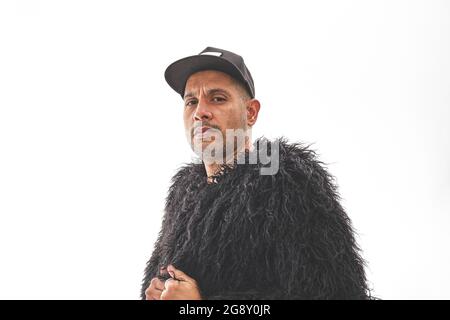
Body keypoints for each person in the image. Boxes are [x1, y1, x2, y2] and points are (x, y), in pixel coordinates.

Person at [141, 47, 372, 300]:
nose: (200, 112)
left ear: (250, 112)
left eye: (217, 98)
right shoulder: (182, 194)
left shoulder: (285, 180)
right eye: (191, 101)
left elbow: (333, 294)